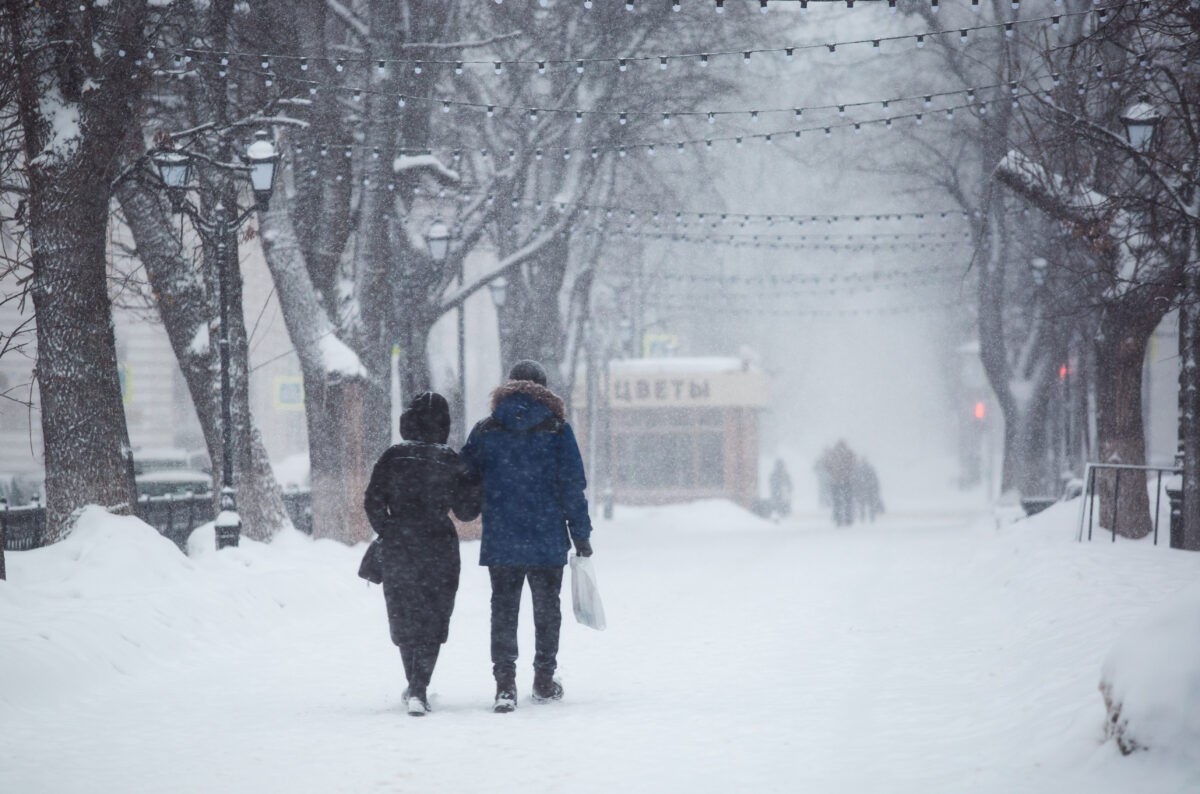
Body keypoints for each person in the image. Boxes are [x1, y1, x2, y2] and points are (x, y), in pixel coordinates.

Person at [460, 360, 593, 713]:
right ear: (544, 388)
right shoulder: (557, 429)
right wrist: (581, 534)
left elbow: (464, 475)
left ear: (509, 386)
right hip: (546, 536)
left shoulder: (486, 429)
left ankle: (505, 686)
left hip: (502, 537)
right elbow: (572, 485)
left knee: (503, 610)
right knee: (547, 610)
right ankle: (544, 680)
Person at [363, 392, 480, 717]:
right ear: (444, 425)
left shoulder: (393, 456)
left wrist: (388, 529)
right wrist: (476, 483)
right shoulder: (450, 459)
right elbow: (467, 512)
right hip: (438, 546)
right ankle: (420, 686)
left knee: (403, 612)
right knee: (433, 613)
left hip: (400, 545)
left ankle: (413, 683)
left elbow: (372, 498)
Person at [821, 440, 857, 527]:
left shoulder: (833, 454)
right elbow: (853, 464)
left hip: (835, 481)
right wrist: (848, 472)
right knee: (848, 501)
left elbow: (827, 465)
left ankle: (838, 518)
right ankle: (848, 519)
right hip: (847, 481)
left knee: (837, 502)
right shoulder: (849, 453)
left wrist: (833, 473)